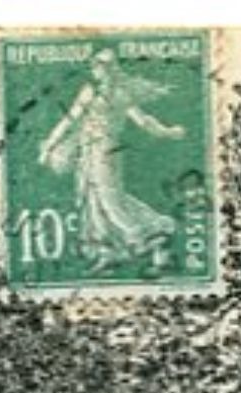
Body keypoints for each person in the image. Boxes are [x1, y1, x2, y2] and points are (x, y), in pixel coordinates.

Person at [38, 49, 185, 274]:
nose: (96, 71)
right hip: (87, 152)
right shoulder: (89, 92)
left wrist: (168, 132)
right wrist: (50, 144)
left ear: (110, 69)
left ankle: (152, 234)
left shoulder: (121, 94)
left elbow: (143, 121)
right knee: (91, 200)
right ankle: (108, 253)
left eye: (100, 66)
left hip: (107, 152)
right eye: (94, 66)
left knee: (110, 199)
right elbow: (69, 120)